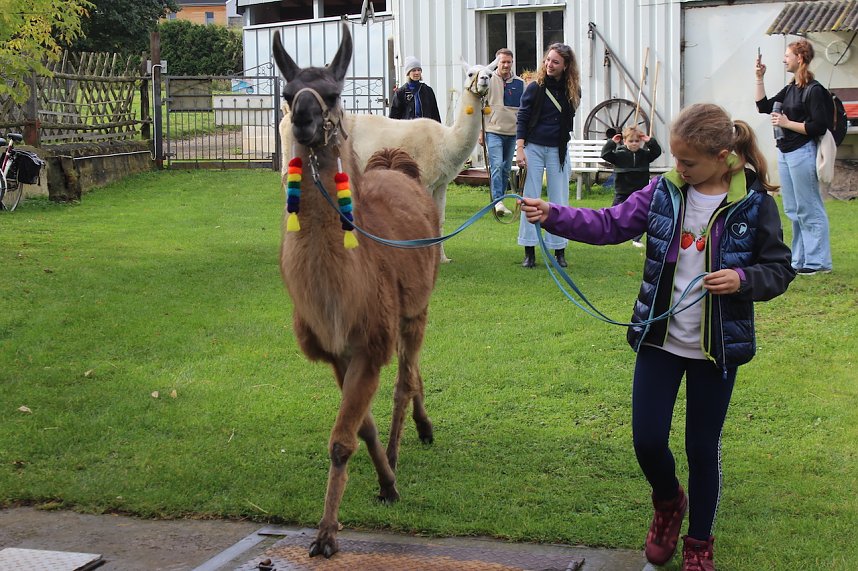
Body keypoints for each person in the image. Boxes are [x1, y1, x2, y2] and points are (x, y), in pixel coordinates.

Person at [520, 103, 795, 571]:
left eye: (688, 162)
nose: (678, 168)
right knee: (647, 441)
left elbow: (779, 268)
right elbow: (611, 224)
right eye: (675, 159)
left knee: (702, 449)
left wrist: (743, 279)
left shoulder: (754, 203)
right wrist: (553, 214)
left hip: (715, 350)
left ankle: (699, 545)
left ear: (722, 157)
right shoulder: (663, 191)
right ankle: (669, 502)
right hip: (659, 341)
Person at [755, 39, 833, 275]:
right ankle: (800, 259)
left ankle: (818, 262)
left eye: (787, 56)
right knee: (793, 209)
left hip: (803, 151)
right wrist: (759, 77)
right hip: (785, 152)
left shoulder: (814, 90)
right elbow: (763, 106)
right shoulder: (790, 88)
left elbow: (819, 126)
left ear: (799, 58)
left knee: (809, 206)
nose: (783, 60)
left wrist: (787, 123)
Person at [515, 43, 581, 268]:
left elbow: (568, 120)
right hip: (533, 147)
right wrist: (520, 149)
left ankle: (559, 249)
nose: (549, 65)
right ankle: (529, 250)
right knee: (530, 198)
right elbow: (523, 118)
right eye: (548, 60)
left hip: (558, 149)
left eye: (555, 62)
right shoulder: (535, 87)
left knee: (559, 200)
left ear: (566, 65)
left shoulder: (573, 90)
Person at [480, 48, 525, 216]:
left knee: (506, 168)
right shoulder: (489, 80)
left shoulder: (520, 83)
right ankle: (497, 202)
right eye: (503, 62)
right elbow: (481, 106)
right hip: (493, 130)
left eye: (509, 62)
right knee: (497, 165)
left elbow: (524, 109)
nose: (506, 65)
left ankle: (500, 199)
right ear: (497, 62)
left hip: (513, 132)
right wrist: (480, 132)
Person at [600, 126, 662, 247]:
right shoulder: (619, 155)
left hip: (640, 193)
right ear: (624, 141)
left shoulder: (645, 155)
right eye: (631, 141)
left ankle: (636, 239)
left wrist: (650, 141)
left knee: (641, 215)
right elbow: (605, 154)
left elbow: (656, 152)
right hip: (622, 192)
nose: (634, 143)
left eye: (637, 141)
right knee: (615, 213)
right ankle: (612, 235)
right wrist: (612, 142)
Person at [389, 56, 441, 122]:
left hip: (425, 127)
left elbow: (435, 113)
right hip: (408, 127)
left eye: (419, 70)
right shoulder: (400, 93)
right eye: (414, 70)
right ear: (408, 73)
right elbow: (394, 117)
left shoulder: (428, 91)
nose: (417, 73)